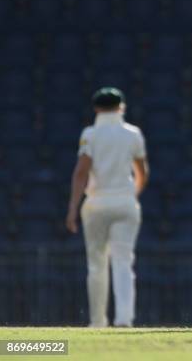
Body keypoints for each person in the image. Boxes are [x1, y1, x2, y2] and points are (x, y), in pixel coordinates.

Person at [66, 87, 149, 327]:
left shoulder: (90, 134)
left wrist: (73, 207)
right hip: (125, 202)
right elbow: (142, 172)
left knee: (96, 264)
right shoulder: (132, 134)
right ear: (121, 107)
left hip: (96, 203)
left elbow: (81, 172)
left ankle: (98, 322)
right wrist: (131, 195)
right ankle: (124, 318)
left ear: (96, 109)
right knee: (123, 261)